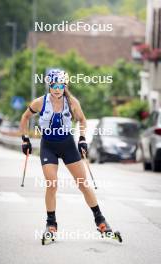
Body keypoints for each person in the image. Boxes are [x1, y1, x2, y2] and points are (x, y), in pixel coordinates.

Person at [20, 69, 112, 241]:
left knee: (83, 184)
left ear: (65, 86)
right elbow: (25, 117)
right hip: (48, 146)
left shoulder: (72, 102)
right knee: (52, 184)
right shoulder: (40, 102)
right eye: (53, 85)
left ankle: (100, 220)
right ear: (49, 86)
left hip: (68, 145)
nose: (57, 89)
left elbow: (82, 120)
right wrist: (25, 139)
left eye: (60, 85)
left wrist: (82, 139)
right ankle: (51, 224)